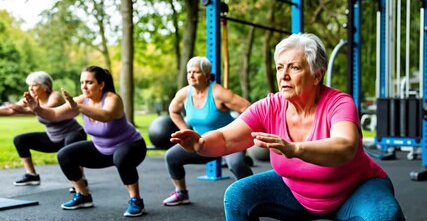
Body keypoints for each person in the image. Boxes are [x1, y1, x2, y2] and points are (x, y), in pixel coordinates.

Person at [169, 33, 405, 220]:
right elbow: (227, 138)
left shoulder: (339, 103)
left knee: (386, 216)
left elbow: (345, 147)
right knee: (237, 196)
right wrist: (200, 144)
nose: (284, 75)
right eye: (280, 67)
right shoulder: (269, 106)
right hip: (297, 194)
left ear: (317, 75)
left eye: (294, 67)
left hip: (353, 191)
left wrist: (295, 149)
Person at [23, 66, 147, 217]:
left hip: (131, 146)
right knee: (65, 155)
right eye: (82, 82)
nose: (84, 86)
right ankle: (83, 196)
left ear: (101, 84)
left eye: (89, 82)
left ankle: (136, 201)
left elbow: (106, 115)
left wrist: (78, 107)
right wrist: (38, 109)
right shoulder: (81, 101)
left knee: (121, 158)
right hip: (101, 149)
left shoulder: (112, 99)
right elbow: (54, 114)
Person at [163, 56, 253, 206]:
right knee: (171, 157)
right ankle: (181, 193)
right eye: (188, 72)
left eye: (196, 72)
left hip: (230, 141)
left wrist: (241, 131)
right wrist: (185, 131)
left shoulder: (219, 93)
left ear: (206, 75)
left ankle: (252, 194)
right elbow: (173, 111)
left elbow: (249, 109)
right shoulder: (184, 94)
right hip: (203, 143)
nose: (191, 75)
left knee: (237, 164)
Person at [0, 71, 86, 188]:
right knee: (20, 140)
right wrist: (15, 108)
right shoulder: (30, 99)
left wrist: (25, 110)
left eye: (34, 85)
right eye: (29, 85)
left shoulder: (54, 96)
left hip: (74, 133)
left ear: (45, 86)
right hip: (53, 138)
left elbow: (46, 110)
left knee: (70, 145)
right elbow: (11, 110)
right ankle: (32, 175)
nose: (31, 88)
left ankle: (80, 178)